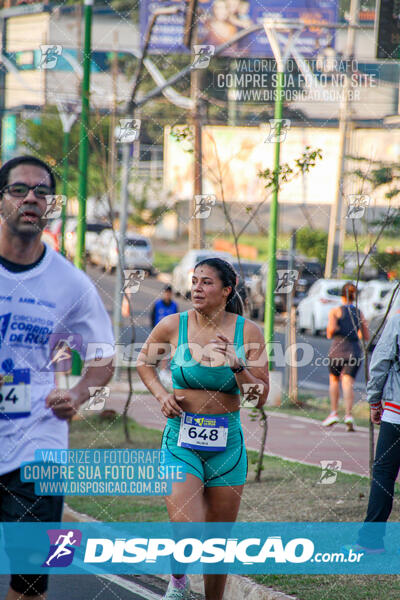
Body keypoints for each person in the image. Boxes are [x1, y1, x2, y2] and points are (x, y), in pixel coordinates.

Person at [0, 156, 115, 600]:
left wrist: (80, 394)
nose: (31, 198)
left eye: (41, 192)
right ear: (2, 200)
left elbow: (104, 354)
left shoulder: (71, 284)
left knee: (30, 583)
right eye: (19, 189)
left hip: (38, 443)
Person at [137, 257, 269, 600]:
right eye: (195, 281)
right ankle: (179, 579)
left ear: (227, 290)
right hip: (181, 438)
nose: (197, 287)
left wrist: (237, 365)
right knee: (189, 526)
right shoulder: (172, 325)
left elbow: (260, 397)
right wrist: (161, 394)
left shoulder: (248, 332)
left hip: (228, 446)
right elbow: (144, 362)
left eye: (207, 282)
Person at [354, 310, 400, 553]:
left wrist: (374, 401)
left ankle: (370, 541)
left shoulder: (397, 321)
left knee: (383, 474)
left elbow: (381, 362)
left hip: (396, 412)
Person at [323, 282, 369, 431]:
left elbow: (330, 331)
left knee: (334, 380)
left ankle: (334, 412)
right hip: (354, 350)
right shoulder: (359, 313)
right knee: (348, 382)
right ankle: (349, 415)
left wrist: (337, 328)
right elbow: (366, 335)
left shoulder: (335, 311)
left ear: (342, 295)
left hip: (338, 349)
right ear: (354, 296)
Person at [150, 285, 179, 384]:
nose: (167, 295)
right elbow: (153, 317)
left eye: (169, 293)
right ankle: (155, 372)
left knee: (168, 352)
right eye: (165, 293)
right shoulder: (157, 304)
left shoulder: (174, 305)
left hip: (170, 333)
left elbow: (176, 318)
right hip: (158, 333)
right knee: (157, 352)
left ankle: (164, 371)